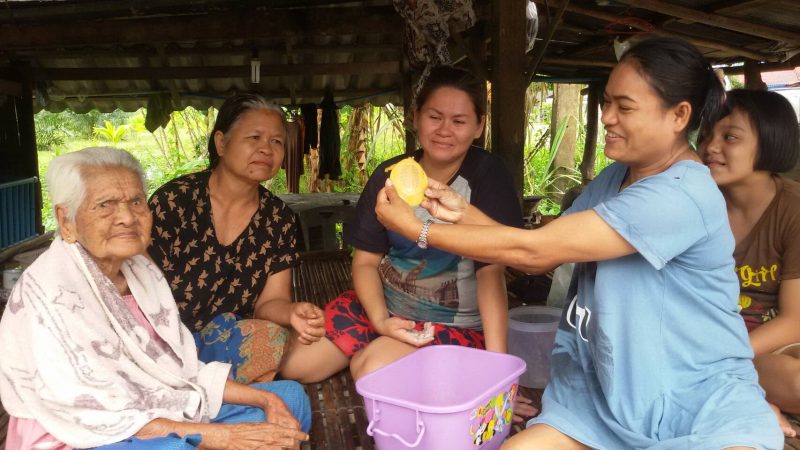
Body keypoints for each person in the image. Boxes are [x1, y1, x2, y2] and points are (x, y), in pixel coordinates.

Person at [375, 37, 783, 449]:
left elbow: (534, 252)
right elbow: (539, 250)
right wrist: (462, 213)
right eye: (606, 102)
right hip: (600, 402)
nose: (607, 117)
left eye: (624, 107)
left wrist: (417, 228)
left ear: (678, 115)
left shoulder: (684, 194)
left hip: (697, 402)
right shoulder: (614, 178)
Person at [0, 147, 311, 450]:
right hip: (80, 434)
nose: (126, 217)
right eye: (105, 204)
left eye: (136, 201)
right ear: (66, 221)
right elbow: (101, 416)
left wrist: (267, 399)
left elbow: (181, 371)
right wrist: (221, 437)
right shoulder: (52, 295)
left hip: (158, 406)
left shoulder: (140, 271)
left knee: (290, 399)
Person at [279, 66, 527, 392]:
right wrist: (381, 321)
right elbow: (366, 261)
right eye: (434, 116)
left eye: (459, 121)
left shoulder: (487, 177)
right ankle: (391, 349)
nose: (444, 130)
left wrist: (499, 372)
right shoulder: (389, 175)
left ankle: (413, 360)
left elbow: (490, 274)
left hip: (452, 324)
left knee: (371, 370)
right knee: (298, 366)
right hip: (386, 306)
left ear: (479, 126)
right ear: (415, 117)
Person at [148, 92, 325, 384]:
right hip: (161, 341)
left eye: (276, 141)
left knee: (272, 339)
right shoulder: (175, 201)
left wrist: (292, 311)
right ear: (221, 142)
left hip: (224, 345)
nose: (266, 149)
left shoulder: (278, 219)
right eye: (254, 137)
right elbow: (136, 284)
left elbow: (270, 303)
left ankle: (217, 395)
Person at [699, 89, 800, 437]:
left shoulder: (794, 210)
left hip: (767, 348)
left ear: (771, 142)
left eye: (729, 137)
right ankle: (747, 399)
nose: (711, 146)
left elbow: (793, 321)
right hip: (705, 346)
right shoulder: (695, 204)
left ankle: (739, 393)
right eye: (708, 135)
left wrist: (724, 356)